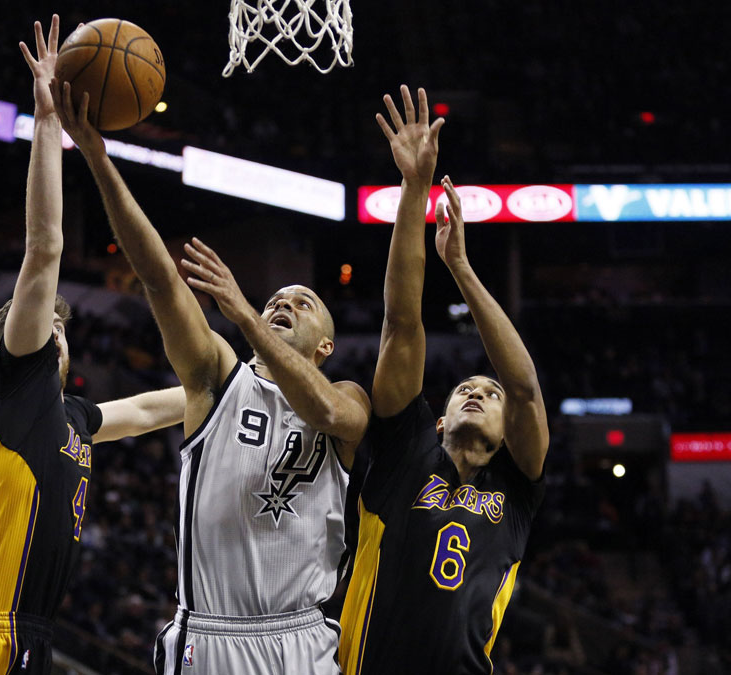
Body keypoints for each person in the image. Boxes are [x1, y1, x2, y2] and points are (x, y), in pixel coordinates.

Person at [52, 67, 372, 675]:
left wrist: (248, 317)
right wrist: (96, 156)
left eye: (302, 302)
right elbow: (159, 277)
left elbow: (331, 413)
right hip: (212, 640)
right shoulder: (218, 378)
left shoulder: (346, 397)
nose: (283, 304)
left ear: (326, 345)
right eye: (276, 297)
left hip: (304, 639)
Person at [0, 17, 185, 673]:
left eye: (59, 324)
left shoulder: (74, 419)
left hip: (31, 640)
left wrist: (257, 373)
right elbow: (44, 250)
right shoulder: (17, 390)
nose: (53, 325)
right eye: (42, 323)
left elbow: (154, 409)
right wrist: (46, 122)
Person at [338, 86, 549, 674]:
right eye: (464, 390)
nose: (478, 391)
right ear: (438, 419)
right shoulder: (407, 450)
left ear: (508, 435)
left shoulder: (518, 491)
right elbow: (401, 324)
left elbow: (525, 386)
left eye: (490, 394)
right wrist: (413, 190)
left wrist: (462, 267)